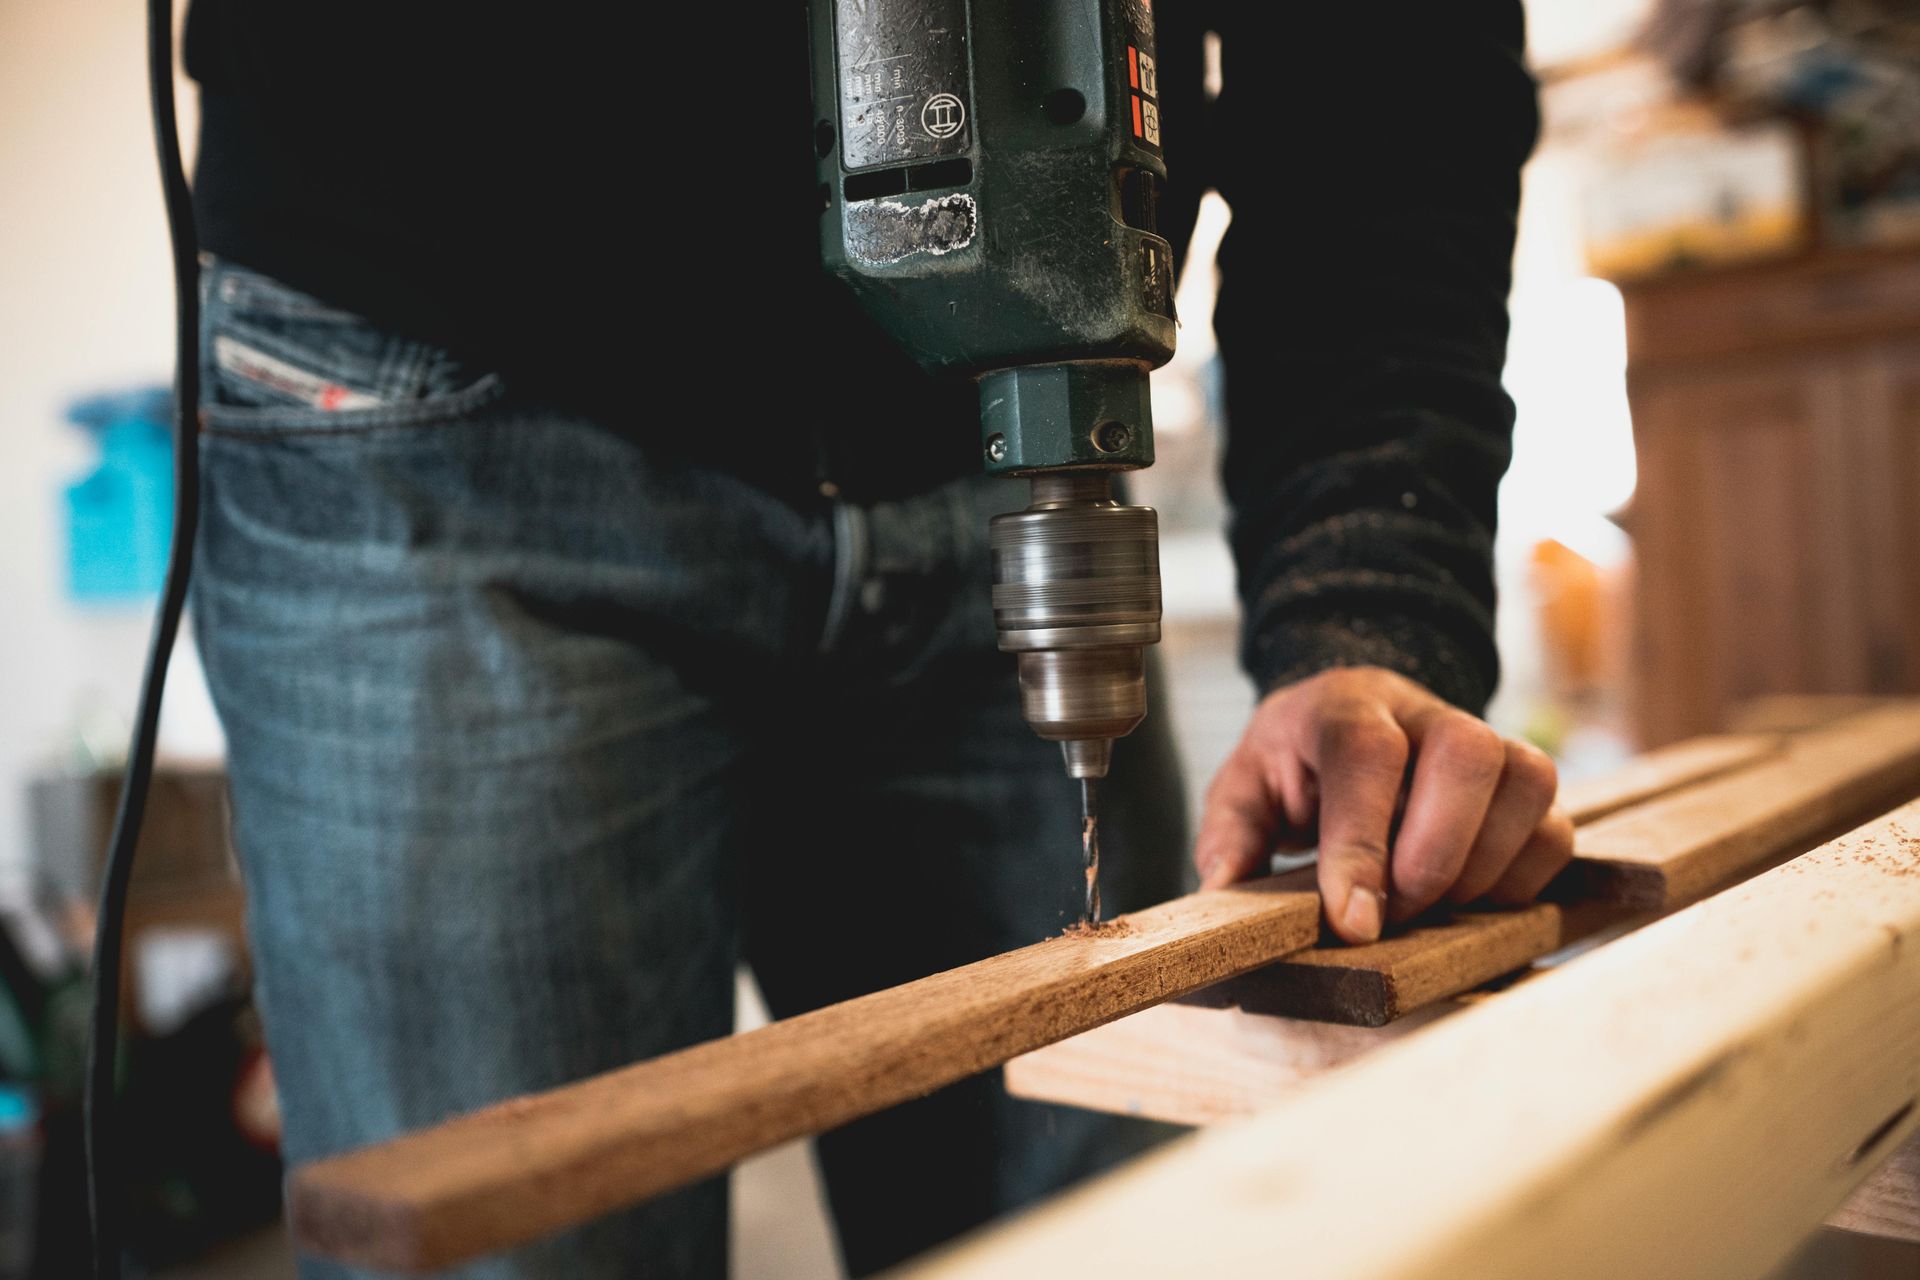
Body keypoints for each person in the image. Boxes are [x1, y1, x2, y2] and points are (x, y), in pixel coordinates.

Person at [181, 2, 1568, 1276]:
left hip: (975, 430)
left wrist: (1366, 599)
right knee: (516, 1230)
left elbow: (1395, 67)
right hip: (435, 369)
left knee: (1115, 1234)